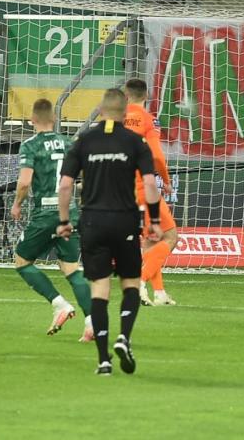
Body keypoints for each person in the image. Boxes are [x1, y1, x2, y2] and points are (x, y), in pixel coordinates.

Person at [57, 88, 164, 376]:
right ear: (125, 110)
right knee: (130, 284)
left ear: (101, 110)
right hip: (125, 221)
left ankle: (103, 360)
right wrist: (153, 221)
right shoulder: (135, 141)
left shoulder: (83, 141)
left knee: (100, 290)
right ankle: (124, 337)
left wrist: (64, 220)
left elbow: (66, 185)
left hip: (92, 222)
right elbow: (151, 185)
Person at [10, 99, 93, 341]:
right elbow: (85, 177)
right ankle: (91, 322)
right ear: (55, 119)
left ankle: (60, 305)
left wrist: (17, 204)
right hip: (70, 213)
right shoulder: (70, 144)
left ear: (32, 120)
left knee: (22, 261)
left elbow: (25, 181)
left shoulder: (30, 145)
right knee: (70, 269)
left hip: (46, 213)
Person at [123, 78, 179, 306]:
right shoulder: (148, 120)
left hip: (119, 189)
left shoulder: (113, 119)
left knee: (149, 242)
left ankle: (159, 293)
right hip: (142, 187)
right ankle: (138, 283)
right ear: (146, 96)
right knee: (171, 236)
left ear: (125, 96)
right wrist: (165, 180)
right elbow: (156, 155)